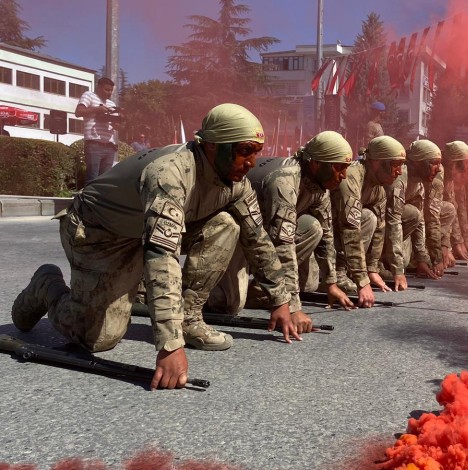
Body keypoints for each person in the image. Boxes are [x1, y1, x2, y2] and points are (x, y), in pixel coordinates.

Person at [10, 103, 297, 390]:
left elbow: (257, 239)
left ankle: (189, 318)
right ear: (211, 146)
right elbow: (162, 255)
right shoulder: (170, 174)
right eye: (244, 150)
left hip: (139, 232)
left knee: (225, 224)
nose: (252, 161)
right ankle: (46, 285)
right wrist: (170, 345)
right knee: (97, 339)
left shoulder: (237, 184)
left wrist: (281, 301)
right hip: (99, 233)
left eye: (256, 152)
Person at [208, 130, 357, 326]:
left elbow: (326, 235)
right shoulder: (285, 180)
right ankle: (195, 288)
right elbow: (282, 244)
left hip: (262, 235)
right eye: (339, 168)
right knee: (228, 304)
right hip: (236, 236)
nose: (343, 176)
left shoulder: (319, 185)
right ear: (315, 164)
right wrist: (293, 307)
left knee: (313, 231)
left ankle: (260, 290)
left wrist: (331, 283)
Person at [331, 135, 406, 307]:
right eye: (396, 165)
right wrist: (362, 281)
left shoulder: (378, 188)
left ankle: (345, 271)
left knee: (373, 219)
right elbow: (350, 229)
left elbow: (380, 229)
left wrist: (372, 268)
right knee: (366, 218)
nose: (400, 172)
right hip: (326, 234)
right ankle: (338, 274)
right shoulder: (351, 177)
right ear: (377, 163)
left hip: (337, 236)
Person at [383, 139, 450, 289]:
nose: (438, 169)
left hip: (392, 228)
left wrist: (422, 259)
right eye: (434, 163)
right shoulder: (400, 180)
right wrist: (398, 270)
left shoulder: (418, 182)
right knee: (402, 262)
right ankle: (376, 262)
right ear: (418, 163)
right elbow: (393, 222)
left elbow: (420, 221)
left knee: (406, 260)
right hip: (380, 227)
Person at [75, 77, 119, 183]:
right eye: (106, 90)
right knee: (92, 178)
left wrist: (117, 123)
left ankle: (99, 199)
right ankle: (89, 199)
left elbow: (116, 126)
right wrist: (98, 109)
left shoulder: (112, 104)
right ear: (99, 87)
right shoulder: (89, 95)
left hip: (109, 145)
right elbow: (78, 112)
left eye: (111, 91)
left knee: (105, 181)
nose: (109, 93)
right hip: (94, 144)